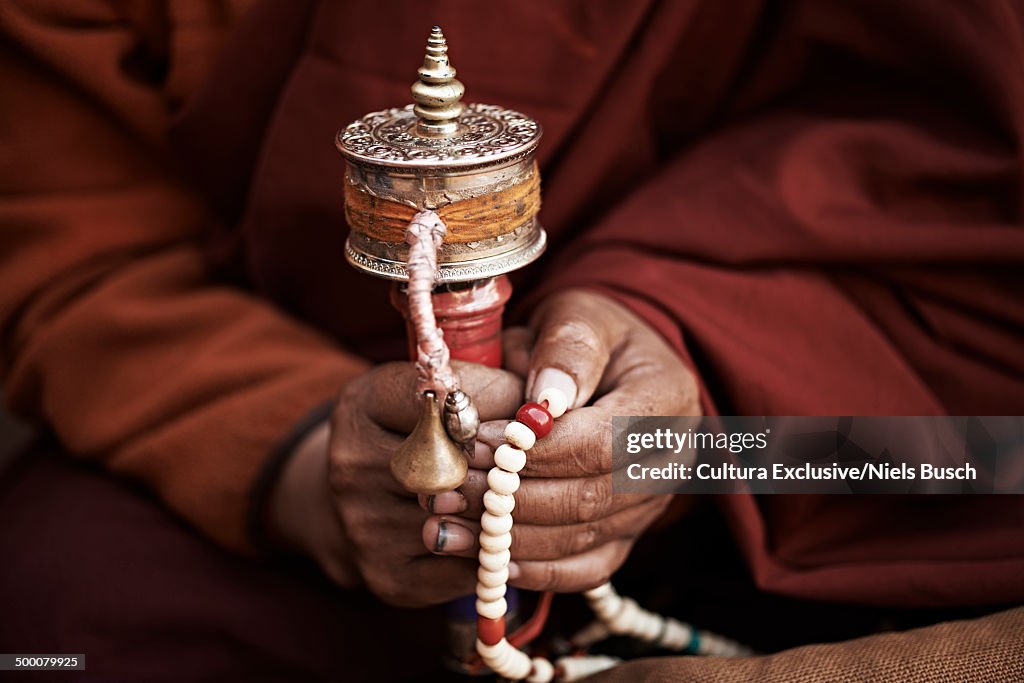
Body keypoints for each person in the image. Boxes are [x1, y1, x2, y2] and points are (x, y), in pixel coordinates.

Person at [1, 1, 1022, 681]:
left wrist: (678, 363)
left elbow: (961, 155)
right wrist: (313, 465)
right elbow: (76, 239)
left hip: (806, 426)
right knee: (63, 609)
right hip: (281, 387)